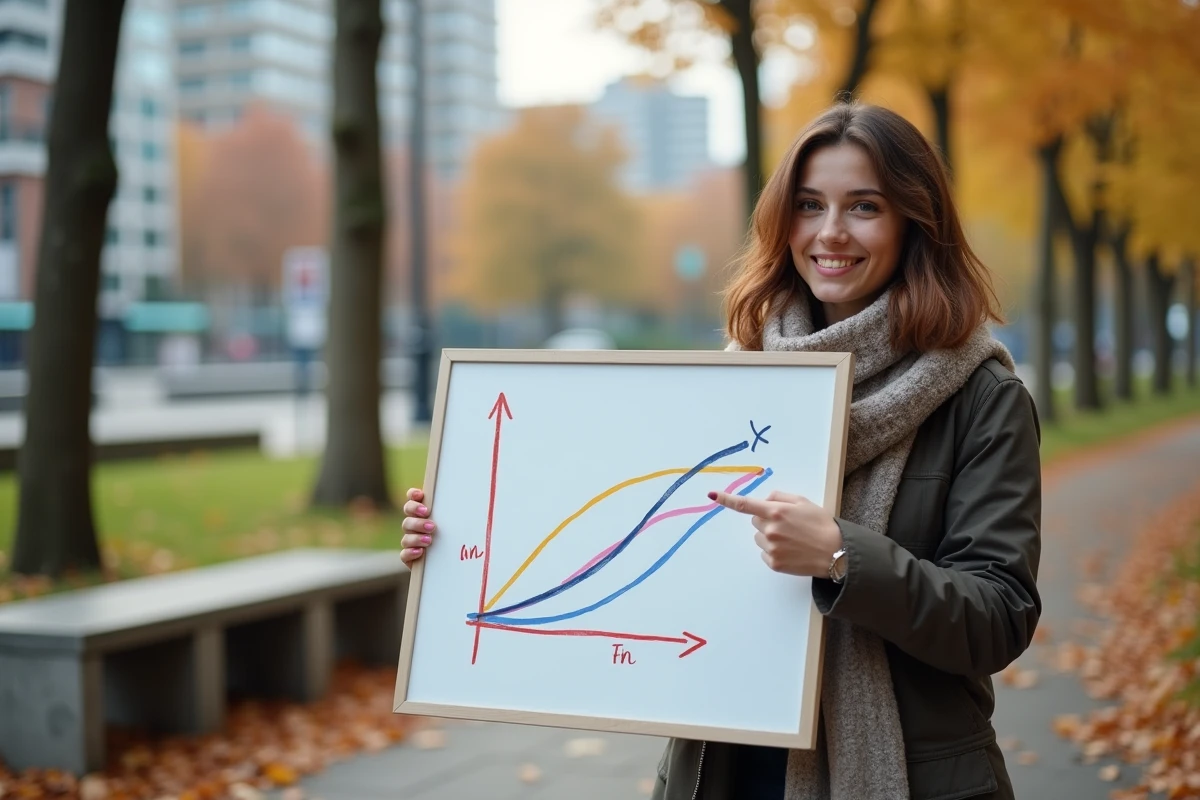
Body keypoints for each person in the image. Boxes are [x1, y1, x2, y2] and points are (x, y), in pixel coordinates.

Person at [399, 100, 1041, 800]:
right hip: (727, 771)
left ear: (916, 222)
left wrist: (839, 556)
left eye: (864, 207)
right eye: (808, 205)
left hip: (910, 776)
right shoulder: (736, 376)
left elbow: (998, 614)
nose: (830, 232)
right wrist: (464, 540)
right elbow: (635, 531)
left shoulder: (981, 395)